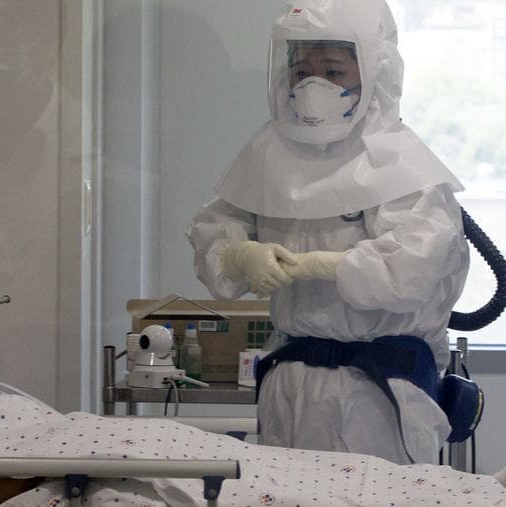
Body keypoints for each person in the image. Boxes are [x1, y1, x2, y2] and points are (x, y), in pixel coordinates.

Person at [187, 0, 468, 464]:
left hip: (377, 390)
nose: (313, 86)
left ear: (374, 72)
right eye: (302, 71)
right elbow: (213, 233)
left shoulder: (398, 164)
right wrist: (238, 255)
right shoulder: (266, 155)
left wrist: (331, 266)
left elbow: (416, 265)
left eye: (334, 72)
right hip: (288, 381)